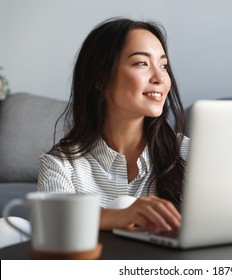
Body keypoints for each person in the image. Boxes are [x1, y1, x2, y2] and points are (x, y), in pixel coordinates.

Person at [37, 17, 189, 233]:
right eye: (141, 63)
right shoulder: (61, 165)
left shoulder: (189, 154)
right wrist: (119, 215)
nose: (160, 78)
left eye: (163, 65)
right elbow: (51, 220)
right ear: (101, 79)